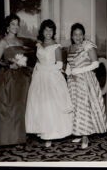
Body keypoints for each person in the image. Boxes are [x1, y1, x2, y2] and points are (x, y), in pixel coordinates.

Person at [0, 14, 35, 146]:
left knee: (19, 107)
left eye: (17, 24)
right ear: (7, 27)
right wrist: (9, 65)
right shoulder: (3, 42)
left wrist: (23, 63)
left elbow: (24, 58)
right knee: (7, 107)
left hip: (20, 78)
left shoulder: (20, 42)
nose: (16, 26)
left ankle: (18, 137)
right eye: (13, 24)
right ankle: (5, 137)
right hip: (7, 77)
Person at [25, 19, 73, 147]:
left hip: (52, 77)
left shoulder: (56, 46)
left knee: (51, 105)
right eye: (46, 29)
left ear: (53, 32)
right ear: (42, 31)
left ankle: (51, 134)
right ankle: (44, 133)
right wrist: (36, 71)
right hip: (39, 77)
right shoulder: (39, 45)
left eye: (51, 30)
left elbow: (59, 65)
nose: (48, 32)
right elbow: (37, 61)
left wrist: (44, 69)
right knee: (41, 106)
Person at [66, 23, 107, 149]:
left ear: (83, 35)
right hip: (73, 81)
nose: (78, 37)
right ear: (72, 36)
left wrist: (79, 71)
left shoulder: (88, 46)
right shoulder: (70, 48)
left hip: (85, 80)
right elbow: (70, 63)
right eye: (75, 34)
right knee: (76, 108)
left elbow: (95, 64)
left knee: (84, 107)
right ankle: (79, 132)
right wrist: (68, 71)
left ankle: (85, 137)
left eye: (80, 34)